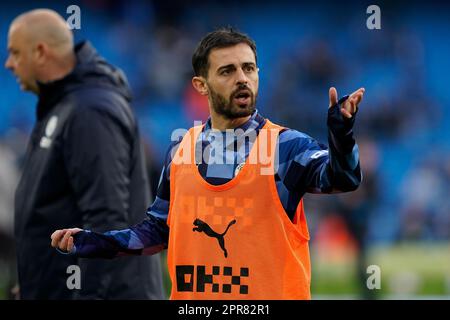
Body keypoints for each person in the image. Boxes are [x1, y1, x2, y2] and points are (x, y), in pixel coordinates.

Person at [51, 27, 365, 299]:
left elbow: (343, 178)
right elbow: (158, 232)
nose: (242, 79)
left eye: (249, 68)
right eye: (227, 71)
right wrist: (95, 241)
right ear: (201, 85)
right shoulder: (181, 148)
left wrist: (342, 135)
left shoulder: (285, 146)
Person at [5, 9, 164, 299]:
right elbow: (57, 206)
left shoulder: (90, 110)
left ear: (40, 52)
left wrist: (88, 295)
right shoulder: (63, 105)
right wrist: (37, 283)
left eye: (15, 53)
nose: (9, 64)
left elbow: (106, 218)